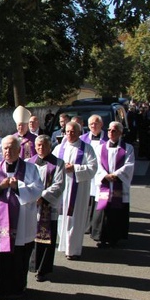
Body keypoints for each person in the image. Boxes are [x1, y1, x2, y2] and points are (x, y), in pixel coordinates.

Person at [0, 136, 42, 300]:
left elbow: (37, 189)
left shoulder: (30, 168)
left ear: (19, 149)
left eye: (12, 148)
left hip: (22, 220)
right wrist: (0, 186)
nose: (8, 151)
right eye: (5, 148)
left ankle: (17, 288)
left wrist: (17, 187)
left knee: (19, 256)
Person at [53, 122, 98, 260]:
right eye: (67, 132)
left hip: (78, 190)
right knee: (62, 217)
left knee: (74, 218)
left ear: (79, 133)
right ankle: (64, 245)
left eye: (73, 132)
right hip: (62, 189)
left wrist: (75, 168)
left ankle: (73, 249)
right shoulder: (59, 148)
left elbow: (93, 167)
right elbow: (51, 164)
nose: (70, 134)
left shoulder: (87, 149)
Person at [90, 122, 135, 248]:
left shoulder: (128, 148)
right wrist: (104, 175)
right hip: (105, 184)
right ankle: (101, 237)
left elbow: (129, 165)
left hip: (118, 184)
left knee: (116, 210)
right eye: (109, 130)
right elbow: (96, 164)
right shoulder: (100, 148)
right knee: (103, 211)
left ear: (120, 133)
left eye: (114, 130)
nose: (111, 132)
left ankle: (115, 237)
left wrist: (116, 175)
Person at [28, 136, 65, 282]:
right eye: (38, 145)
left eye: (43, 145)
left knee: (46, 239)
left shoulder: (58, 163)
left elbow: (59, 184)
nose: (40, 148)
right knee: (31, 236)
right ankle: (31, 264)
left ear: (49, 146)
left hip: (48, 206)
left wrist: (42, 196)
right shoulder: (29, 162)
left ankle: (43, 269)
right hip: (32, 206)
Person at [80, 115, 108, 231]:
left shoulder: (107, 139)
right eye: (91, 123)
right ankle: (85, 225)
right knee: (86, 201)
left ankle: (95, 225)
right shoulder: (82, 139)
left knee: (97, 202)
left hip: (100, 174)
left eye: (96, 123)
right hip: (86, 173)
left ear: (101, 125)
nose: (93, 126)